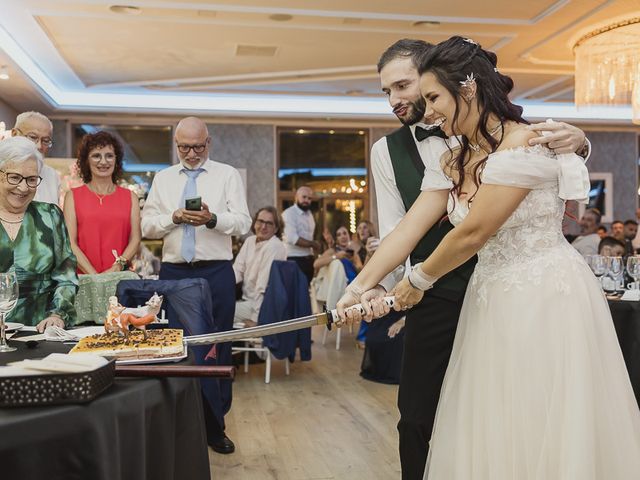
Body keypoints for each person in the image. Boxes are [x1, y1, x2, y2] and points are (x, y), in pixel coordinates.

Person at [339, 35, 640, 479]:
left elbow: (474, 232)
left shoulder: (527, 144)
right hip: (491, 297)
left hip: (544, 297)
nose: (428, 110)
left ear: (468, 88)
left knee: (541, 414)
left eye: (433, 97)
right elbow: (408, 227)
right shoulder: (454, 158)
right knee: (489, 416)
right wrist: (357, 286)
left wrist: (414, 282)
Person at [141, 116, 251, 455]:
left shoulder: (227, 174)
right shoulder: (162, 179)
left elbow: (244, 223)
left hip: (216, 271)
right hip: (174, 273)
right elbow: (146, 225)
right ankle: (181, 425)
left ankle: (216, 426)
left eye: (198, 146)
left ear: (209, 142)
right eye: (185, 147)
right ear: (176, 144)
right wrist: (173, 217)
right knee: (177, 348)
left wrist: (212, 219)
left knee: (216, 347)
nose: (191, 153)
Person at [0, 137, 77, 332]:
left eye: (31, 179)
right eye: (15, 177)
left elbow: (66, 277)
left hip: (40, 333)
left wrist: (58, 314)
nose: (24, 187)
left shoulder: (50, 216)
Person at [63, 131, 141, 274]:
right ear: (86, 160)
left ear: (117, 160)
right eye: (96, 156)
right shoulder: (72, 196)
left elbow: (135, 239)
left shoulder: (131, 197)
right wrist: (95, 276)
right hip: (84, 278)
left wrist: (117, 266)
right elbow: (70, 243)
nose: (104, 161)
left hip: (119, 275)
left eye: (109, 156)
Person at [233, 206, 287, 327]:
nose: (263, 227)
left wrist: (255, 319)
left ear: (276, 228)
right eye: (260, 221)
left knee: (218, 311)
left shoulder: (274, 246)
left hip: (263, 305)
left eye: (269, 223)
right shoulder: (250, 241)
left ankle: (207, 345)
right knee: (213, 304)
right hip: (247, 300)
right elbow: (237, 271)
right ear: (255, 222)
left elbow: (263, 287)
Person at [11, 111, 61, 205]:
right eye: (33, 137)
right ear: (14, 134)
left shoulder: (52, 175)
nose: (39, 146)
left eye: (45, 141)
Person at [282, 186, 320, 284]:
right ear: (296, 197)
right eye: (304, 197)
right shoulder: (289, 214)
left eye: (309, 198)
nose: (306, 200)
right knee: (296, 294)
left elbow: (310, 236)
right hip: (294, 259)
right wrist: (313, 244)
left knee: (307, 294)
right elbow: (293, 239)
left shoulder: (310, 214)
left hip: (308, 259)